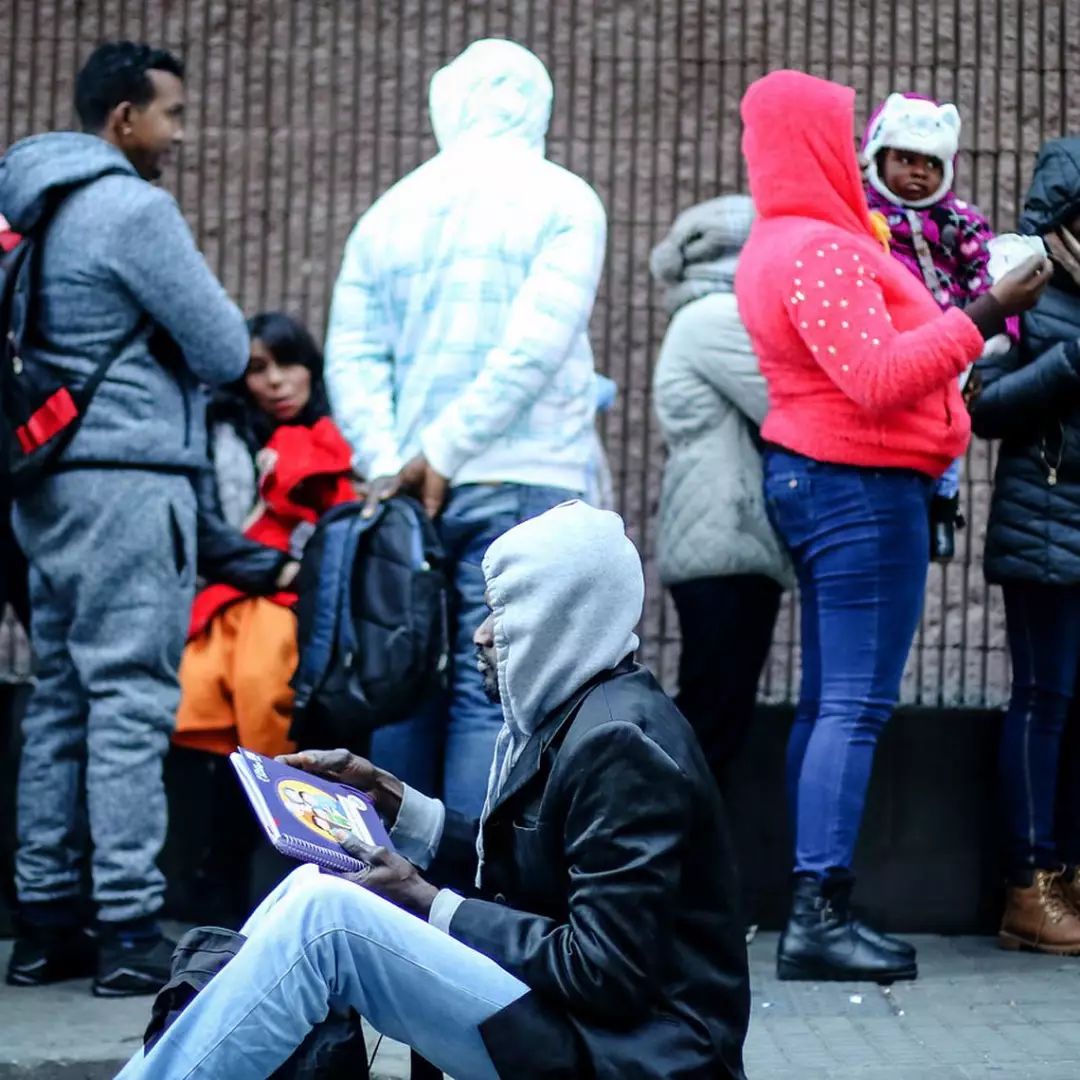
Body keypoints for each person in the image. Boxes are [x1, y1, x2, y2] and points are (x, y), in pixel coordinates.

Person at [116, 500, 750, 1080]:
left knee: (328, 919)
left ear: (559, 619)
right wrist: (394, 799)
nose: (479, 634)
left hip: (640, 1056)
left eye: (502, 612)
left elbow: (605, 971)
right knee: (317, 889)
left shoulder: (619, 742)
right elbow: (532, 866)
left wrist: (428, 902)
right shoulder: (579, 705)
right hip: (591, 1029)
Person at [734, 69, 1049, 983]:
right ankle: (818, 915)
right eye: (842, 131)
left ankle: (815, 902)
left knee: (830, 700)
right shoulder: (824, 249)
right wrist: (991, 310)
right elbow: (879, 377)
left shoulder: (778, 240)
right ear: (819, 144)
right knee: (854, 706)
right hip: (860, 488)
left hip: (823, 480)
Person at [0, 41, 250, 995]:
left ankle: (44, 923)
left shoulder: (37, 205)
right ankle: (129, 928)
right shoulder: (132, 209)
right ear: (123, 120)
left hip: (47, 483)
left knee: (59, 697)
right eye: (171, 115)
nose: (179, 135)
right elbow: (226, 348)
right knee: (130, 703)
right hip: (132, 484)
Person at [325, 39, 606, 818]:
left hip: (409, 497)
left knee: (403, 686)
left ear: (447, 103)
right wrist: (443, 450)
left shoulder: (389, 210)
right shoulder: (565, 198)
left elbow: (351, 351)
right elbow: (537, 347)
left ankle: (392, 905)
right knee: (499, 698)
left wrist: (393, 461)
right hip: (524, 476)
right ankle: (479, 911)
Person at [968, 136, 1080, 954]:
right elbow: (982, 405)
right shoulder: (1020, 290)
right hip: (1043, 524)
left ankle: (1069, 874)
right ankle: (1027, 886)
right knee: (1043, 701)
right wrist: (1072, 362)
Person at [650, 193, 792, 783]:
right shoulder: (718, 317)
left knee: (715, 710)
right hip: (724, 539)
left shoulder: (702, 314)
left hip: (720, 539)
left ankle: (684, 859)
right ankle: (675, 860)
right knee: (713, 717)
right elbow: (784, 402)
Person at [175, 313, 356, 761]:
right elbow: (206, 533)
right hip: (248, 596)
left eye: (289, 363)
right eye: (258, 369)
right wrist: (282, 570)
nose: (277, 381)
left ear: (312, 367)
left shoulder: (345, 432)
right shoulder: (215, 433)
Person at [861, 92, 1018, 560]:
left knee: (950, 424)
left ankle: (943, 503)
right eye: (904, 159)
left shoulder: (960, 220)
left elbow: (988, 275)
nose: (916, 173)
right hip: (891, 342)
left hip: (955, 340)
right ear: (876, 158)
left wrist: (996, 333)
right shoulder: (864, 219)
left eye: (929, 163)